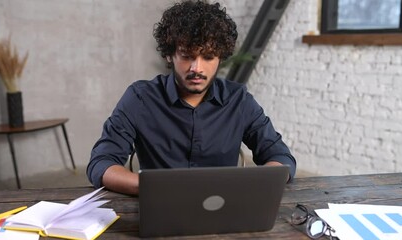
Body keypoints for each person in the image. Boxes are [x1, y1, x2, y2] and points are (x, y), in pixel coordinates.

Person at [87, 0, 296, 195]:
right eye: (187, 56)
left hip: (224, 209)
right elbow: (101, 163)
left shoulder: (238, 100)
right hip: (160, 206)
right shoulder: (140, 98)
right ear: (170, 55)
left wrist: (246, 187)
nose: (197, 68)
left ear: (220, 57)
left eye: (207, 57)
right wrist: (155, 189)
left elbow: (280, 157)